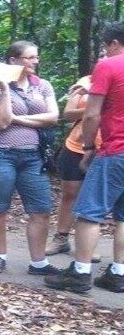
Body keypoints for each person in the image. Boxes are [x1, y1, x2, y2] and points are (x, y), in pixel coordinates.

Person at [46, 22, 124, 294]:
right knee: (123, 216)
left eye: (106, 46)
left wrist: (89, 146)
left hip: (115, 150)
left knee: (89, 212)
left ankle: (80, 273)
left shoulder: (109, 65)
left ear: (114, 43)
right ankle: (118, 273)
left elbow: (91, 114)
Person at [0, 41, 60, 275]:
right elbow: (1, 122)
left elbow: (53, 117)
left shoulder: (42, 86)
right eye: (30, 57)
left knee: (41, 209)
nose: (36, 61)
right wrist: (5, 90)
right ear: (14, 60)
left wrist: (18, 119)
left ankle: (38, 262)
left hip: (34, 156)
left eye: (36, 57)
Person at [44, 75, 102, 261]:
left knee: (95, 198)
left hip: (107, 149)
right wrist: (93, 107)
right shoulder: (86, 80)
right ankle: (61, 238)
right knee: (70, 193)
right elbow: (68, 113)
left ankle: (87, 246)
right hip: (76, 146)